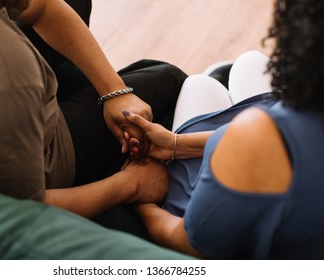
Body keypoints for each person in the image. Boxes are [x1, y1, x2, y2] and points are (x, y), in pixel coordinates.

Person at [0, 0, 187, 225]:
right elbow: (22, 210)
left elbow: (43, 6)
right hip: (34, 157)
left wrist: (115, 91)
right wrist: (131, 185)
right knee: (168, 79)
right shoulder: (8, 70)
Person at [121, 0, 324, 259]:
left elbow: (189, 243)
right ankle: (223, 90)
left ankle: (218, 89)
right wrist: (176, 144)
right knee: (249, 63)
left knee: (198, 85)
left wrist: (141, 200)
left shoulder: (260, 136)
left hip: (218, 241)